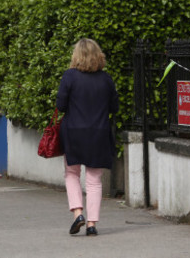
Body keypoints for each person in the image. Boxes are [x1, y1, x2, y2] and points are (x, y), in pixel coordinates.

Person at [56, 38, 119, 236]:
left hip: (74, 132)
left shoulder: (69, 76)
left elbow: (61, 106)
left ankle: (78, 213)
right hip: (99, 133)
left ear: (77, 56)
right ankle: (92, 224)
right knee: (94, 180)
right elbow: (114, 108)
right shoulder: (106, 79)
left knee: (72, 174)